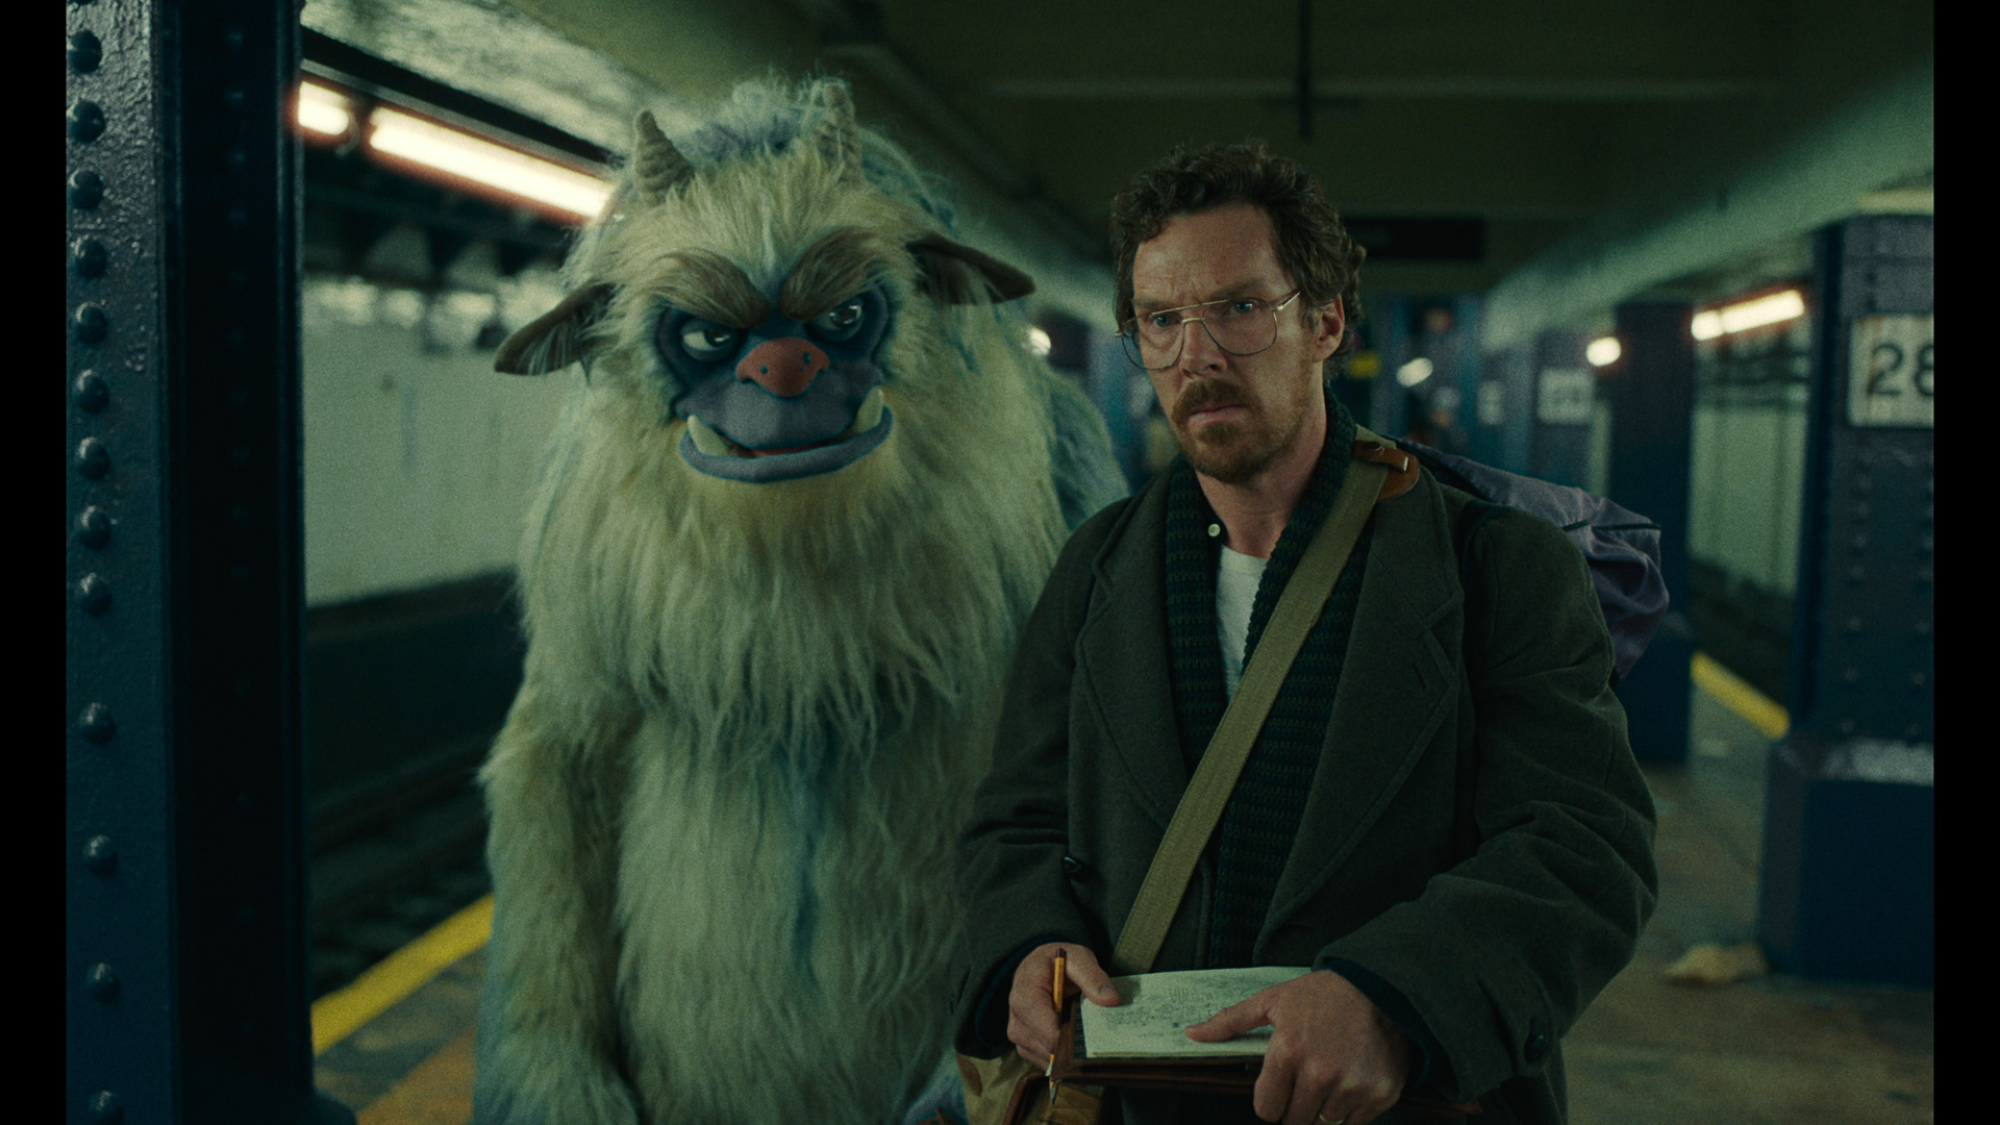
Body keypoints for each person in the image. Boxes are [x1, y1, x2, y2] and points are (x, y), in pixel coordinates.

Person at [950, 142, 1658, 1125]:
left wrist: (1395, 996)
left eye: (1238, 308)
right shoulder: (1095, 569)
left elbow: (1581, 844)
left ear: (1323, 321)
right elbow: (1016, 817)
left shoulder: (1495, 567)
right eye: (1160, 321)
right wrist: (1027, 947)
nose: (1194, 356)